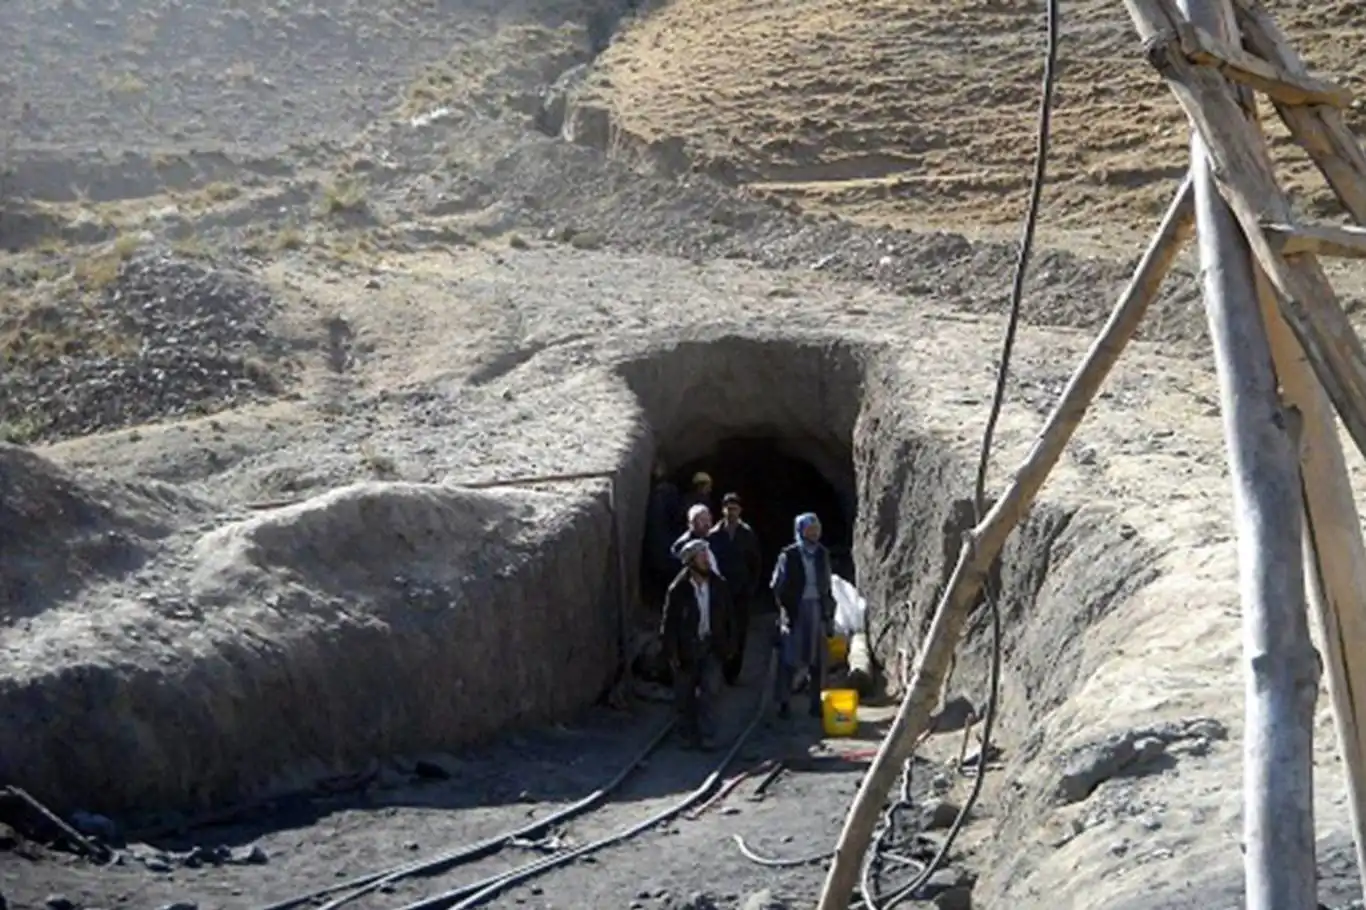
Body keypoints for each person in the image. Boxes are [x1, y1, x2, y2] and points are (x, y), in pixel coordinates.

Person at [661, 538, 734, 750]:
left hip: (712, 645)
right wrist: (671, 652)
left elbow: (729, 617)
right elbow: (669, 624)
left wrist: (730, 646)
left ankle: (708, 735)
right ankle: (686, 735)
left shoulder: (719, 585)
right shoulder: (678, 589)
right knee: (685, 694)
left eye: (706, 555)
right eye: (701, 557)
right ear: (691, 562)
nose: (706, 560)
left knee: (711, 690)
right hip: (688, 648)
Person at [770, 512, 838, 720]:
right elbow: (777, 585)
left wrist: (828, 613)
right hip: (796, 610)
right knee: (789, 659)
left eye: (816, 530)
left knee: (817, 659)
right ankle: (784, 703)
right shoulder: (789, 555)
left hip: (817, 609)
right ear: (800, 531)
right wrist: (787, 608)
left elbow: (826, 584)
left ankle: (815, 703)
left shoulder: (821, 554)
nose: (814, 534)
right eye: (809, 530)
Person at [708, 492, 762, 686]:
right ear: (722, 510)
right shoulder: (714, 535)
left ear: (740, 510)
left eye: (735, 508)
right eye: (728, 508)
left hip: (741, 592)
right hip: (721, 592)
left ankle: (734, 671)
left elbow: (756, 563)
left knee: (739, 632)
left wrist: (751, 588)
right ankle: (722, 668)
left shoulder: (747, 534)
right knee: (721, 630)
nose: (731, 512)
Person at [643, 462, 684, 601]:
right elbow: (677, 515)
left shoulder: (652, 494)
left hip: (655, 542)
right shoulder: (670, 492)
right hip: (667, 541)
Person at [671, 503, 721, 576]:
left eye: (709, 520)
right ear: (691, 523)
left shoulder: (714, 540)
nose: (707, 524)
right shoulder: (681, 545)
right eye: (703, 520)